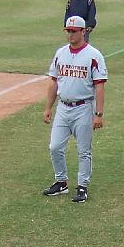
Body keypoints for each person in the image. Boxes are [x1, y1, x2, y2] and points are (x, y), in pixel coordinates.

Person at [42, 17, 107, 203]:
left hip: (84, 107)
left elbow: (100, 86)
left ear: (83, 31)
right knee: (55, 147)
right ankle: (61, 182)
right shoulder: (60, 53)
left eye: (73, 31)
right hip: (63, 107)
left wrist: (99, 114)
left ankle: (82, 186)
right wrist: (48, 107)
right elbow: (54, 81)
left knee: (83, 150)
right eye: (68, 31)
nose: (70, 34)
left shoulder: (94, 55)